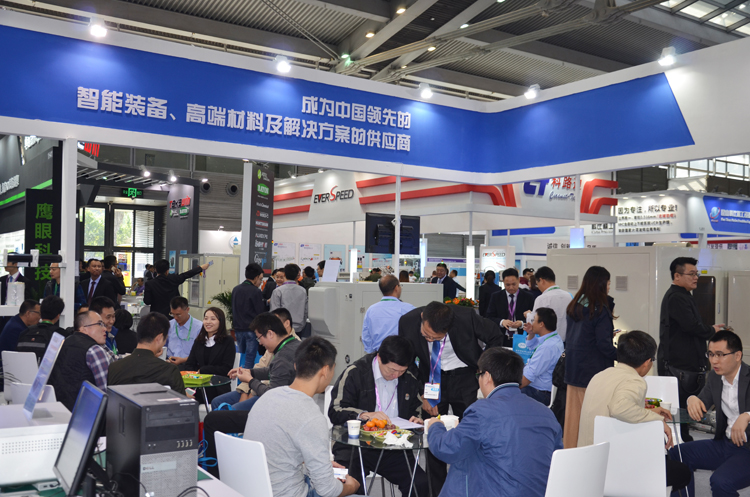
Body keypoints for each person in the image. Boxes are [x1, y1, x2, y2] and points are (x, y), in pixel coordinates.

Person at [398, 301, 504, 493]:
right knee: (433, 432)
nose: (430, 340)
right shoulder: (407, 322)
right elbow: (407, 360)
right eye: (426, 335)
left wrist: (483, 366)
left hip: (464, 378)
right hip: (431, 380)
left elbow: (495, 335)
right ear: (422, 318)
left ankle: (469, 486)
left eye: (436, 338)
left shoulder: (466, 317)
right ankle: (436, 491)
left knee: (470, 432)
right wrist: (422, 393)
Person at [427, 347, 562, 497]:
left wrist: (435, 426)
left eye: (478, 375)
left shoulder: (482, 410)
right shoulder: (546, 413)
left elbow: (447, 449)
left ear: (487, 376)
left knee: (465, 457)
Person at [243, 336, 360, 496]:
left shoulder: (268, 397)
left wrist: (320, 465)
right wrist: (352, 486)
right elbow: (328, 490)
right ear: (326, 370)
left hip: (256, 490)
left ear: (295, 365)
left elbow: (280, 452)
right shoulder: (311, 417)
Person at [577, 330, 690, 491]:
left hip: (588, 464)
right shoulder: (635, 381)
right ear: (647, 362)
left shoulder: (600, 375)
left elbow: (612, 406)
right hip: (616, 468)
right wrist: (658, 420)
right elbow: (619, 408)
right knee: (682, 472)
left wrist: (649, 412)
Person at [328, 335, 428, 496]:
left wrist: (416, 421)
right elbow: (335, 410)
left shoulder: (409, 378)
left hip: (393, 448)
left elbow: (416, 410)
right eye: (392, 370)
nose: (396, 375)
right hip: (354, 447)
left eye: (401, 371)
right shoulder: (356, 373)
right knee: (349, 484)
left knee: (420, 484)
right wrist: (363, 415)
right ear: (380, 358)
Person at [668, 330, 750, 497]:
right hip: (726, 444)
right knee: (677, 454)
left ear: (737, 355)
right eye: (711, 354)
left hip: (747, 449)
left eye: (720, 355)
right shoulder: (714, 377)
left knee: (720, 481)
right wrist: (692, 399)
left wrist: (747, 415)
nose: (714, 361)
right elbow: (702, 402)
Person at [658, 256, 723, 443]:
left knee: (683, 410)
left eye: (697, 274)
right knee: (679, 409)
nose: (696, 278)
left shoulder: (684, 296)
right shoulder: (676, 297)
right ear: (677, 276)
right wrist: (712, 331)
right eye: (691, 274)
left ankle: (683, 442)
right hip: (678, 366)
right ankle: (680, 445)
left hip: (685, 365)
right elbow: (691, 326)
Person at [563, 265, 617, 448]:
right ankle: (590, 457)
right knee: (592, 422)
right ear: (601, 284)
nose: (609, 287)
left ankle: (570, 454)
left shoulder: (575, 305)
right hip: (594, 373)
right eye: (608, 283)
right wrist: (624, 356)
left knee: (573, 419)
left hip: (573, 371)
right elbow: (604, 346)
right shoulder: (600, 310)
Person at [211, 308, 300, 410]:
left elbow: (270, 395)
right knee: (217, 403)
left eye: (259, 338)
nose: (260, 343)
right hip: (279, 398)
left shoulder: (283, 357)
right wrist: (249, 372)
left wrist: (250, 380)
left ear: (270, 334)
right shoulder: (292, 344)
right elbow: (273, 371)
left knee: (232, 411)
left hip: (280, 405)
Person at [48, 310, 115, 411]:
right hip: (84, 414)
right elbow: (105, 393)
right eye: (100, 324)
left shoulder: (63, 343)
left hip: (57, 410)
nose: (104, 329)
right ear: (84, 329)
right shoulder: (94, 350)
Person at [108, 312, 185, 394]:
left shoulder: (114, 368)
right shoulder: (170, 371)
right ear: (159, 338)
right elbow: (181, 401)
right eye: (165, 338)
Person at [182, 307, 236, 404]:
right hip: (198, 386)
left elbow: (226, 369)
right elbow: (189, 364)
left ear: (221, 322)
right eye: (206, 318)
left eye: (213, 319)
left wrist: (203, 370)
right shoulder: (199, 341)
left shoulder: (228, 341)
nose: (208, 322)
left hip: (218, 387)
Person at [520, 307, 564, 406]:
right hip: (542, 389)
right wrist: (531, 333)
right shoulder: (553, 338)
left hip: (540, 392)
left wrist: (511, 388)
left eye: (534, 320)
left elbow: (528, 377)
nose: (532, 323)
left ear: (541, 324)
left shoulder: (547, 347)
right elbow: (532, 346)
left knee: (508, 395)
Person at [361, 275, 415, 353]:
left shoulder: (371, 310)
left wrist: (372, 353)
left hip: (378, 355)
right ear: (396, 288)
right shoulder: (408, 309)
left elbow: (366, 336)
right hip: (401, 356)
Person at [486, 267, 537, 346]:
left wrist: (521, 323)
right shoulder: (496, 297)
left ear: (519, 281)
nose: (511, 288)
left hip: (521, 339)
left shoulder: (528, 297)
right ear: (503, 282)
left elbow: (534, 318)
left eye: (514, 284)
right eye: (507, 285)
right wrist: (502, 322)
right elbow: (489, 317)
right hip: (501, 339)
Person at [143, 258, 209, 317]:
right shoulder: (174, 279)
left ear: (156, 270)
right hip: (173, 314)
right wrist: (200, 268)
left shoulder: (149, 284)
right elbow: (186, 274)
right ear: (167, 270)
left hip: (157, 315)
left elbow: (147, 301)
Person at [523, 266, 573, 342]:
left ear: (541, 280)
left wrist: (528, 315)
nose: (538, 287)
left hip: (548, 341)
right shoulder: (569, 296)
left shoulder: (542, 298)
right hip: (567, 341)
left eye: (537, 284)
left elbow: (534, 321)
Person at [231, 263, 266, 369]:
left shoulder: (236, 289)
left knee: (241, 356)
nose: (260, 282)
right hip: (251, 330)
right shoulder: (256, 291)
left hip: (238, 329)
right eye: (260, 279)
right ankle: (246, 378)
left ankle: (239, 376)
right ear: (255, 278)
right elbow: (261, 313)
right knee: (250, 359)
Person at [17, 296, 67, 362]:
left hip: (24, 368)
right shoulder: (61, 335)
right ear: (58, 316)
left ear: (41, 313)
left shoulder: (25, 332)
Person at [0, 300, 41, 376]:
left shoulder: (16, 321)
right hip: (10, 373)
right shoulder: (16, 329)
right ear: (28, 313)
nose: (40, 317)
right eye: (39, 313)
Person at [269, 263, 308, 335]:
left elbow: (274, 311)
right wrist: (302, 324)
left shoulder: (278, 291)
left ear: (284, 274)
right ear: (297, 275)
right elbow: (305, 310)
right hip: (299, 327)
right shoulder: (303, 290)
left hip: (282, 328)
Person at [165, 297, 203, 366]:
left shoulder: (199, 327)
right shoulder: (169, 325)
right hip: (170, 362)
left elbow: (201, 353)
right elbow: (164, 346)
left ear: (187, 310)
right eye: (172, 314)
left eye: (178, 314)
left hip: (189, 364)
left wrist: (183, 360)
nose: (175, 317)